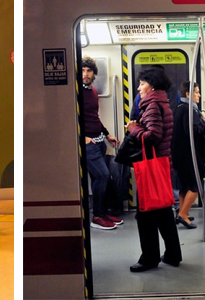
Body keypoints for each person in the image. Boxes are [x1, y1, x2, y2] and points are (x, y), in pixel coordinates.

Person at [126, 67, 182, 272]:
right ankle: (173, 254)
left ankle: (149, 258)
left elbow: (153, 136)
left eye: (142, 83)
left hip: (152, 165)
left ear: (152, 85)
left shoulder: (151, 105)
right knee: (163, 212)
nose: (139, 87)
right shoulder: (162, 102)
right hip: (161, 162)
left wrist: (134, 129)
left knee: (146, 214)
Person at [81, 56, 123, 230]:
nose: (86, 74)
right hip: (88, 144)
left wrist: (107, 135)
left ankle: (103, 212)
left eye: (89, 70)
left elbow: (94, 117)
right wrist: (81, 137)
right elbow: (66, 118)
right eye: (82, 70)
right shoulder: (75, 92)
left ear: (94, 73)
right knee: (103, 175)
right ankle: (97, 216)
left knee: (100, 179)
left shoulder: (93, 92)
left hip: (98, 141)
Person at [172, 81, 205, 229]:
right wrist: (204, 122)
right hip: (189, 154)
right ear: (188, 94)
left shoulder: (178, 108)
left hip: (179, 154)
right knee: (196, 185)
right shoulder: (189, 110)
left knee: (184, 185)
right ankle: (182, 215)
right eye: (197, 92)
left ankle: (183, 211)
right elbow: (193, 131)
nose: (199, 95)